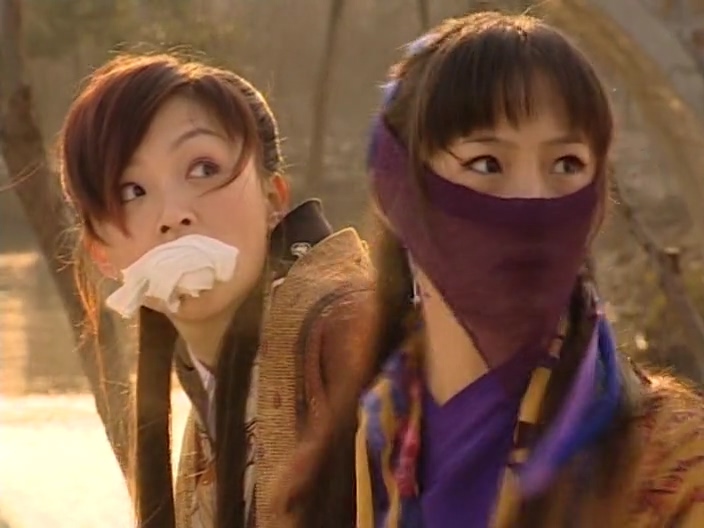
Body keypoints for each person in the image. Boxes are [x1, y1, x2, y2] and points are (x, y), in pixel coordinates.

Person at [277, 11, 704, 528]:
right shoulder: (358, 458)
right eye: (486, 164)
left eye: (566, 164)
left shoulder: (672, 465)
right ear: (398, 193)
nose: (532, 203)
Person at [57, 53, 372, 528]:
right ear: (102, 253)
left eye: (203, 169)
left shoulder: (351, 329)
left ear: (273, 197)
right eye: (131, 191)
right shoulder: (208, 379)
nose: (173, 215)